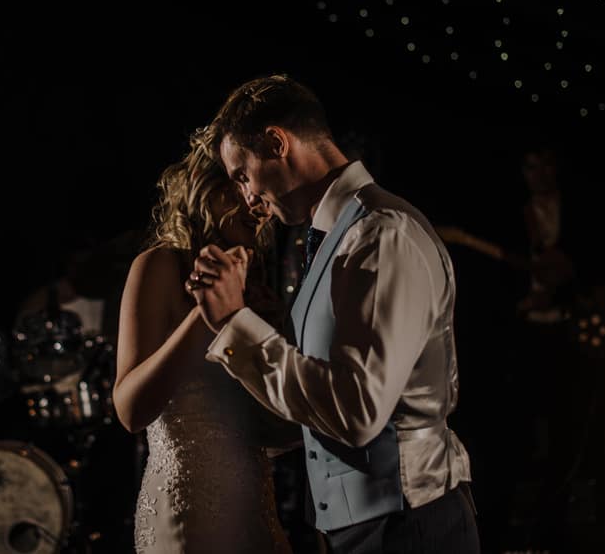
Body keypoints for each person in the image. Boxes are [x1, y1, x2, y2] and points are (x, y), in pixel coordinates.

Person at [188, 74, 479, 553]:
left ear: (277, 143)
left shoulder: (379, 234)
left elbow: (358, 411)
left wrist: (235, 325)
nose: (247, 196)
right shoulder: (336, 236)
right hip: (368, 526)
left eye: (242, 174)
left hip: (408, 524)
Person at [113, 127, 294, 553]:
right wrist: (208, 314)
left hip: (256, 512)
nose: (258, 204)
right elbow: (130, 411)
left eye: (260, 190)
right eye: (240, 183)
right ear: (204, 183)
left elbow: (275, 430)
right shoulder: (159, 266)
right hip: (186, 516)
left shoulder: (259, 284)